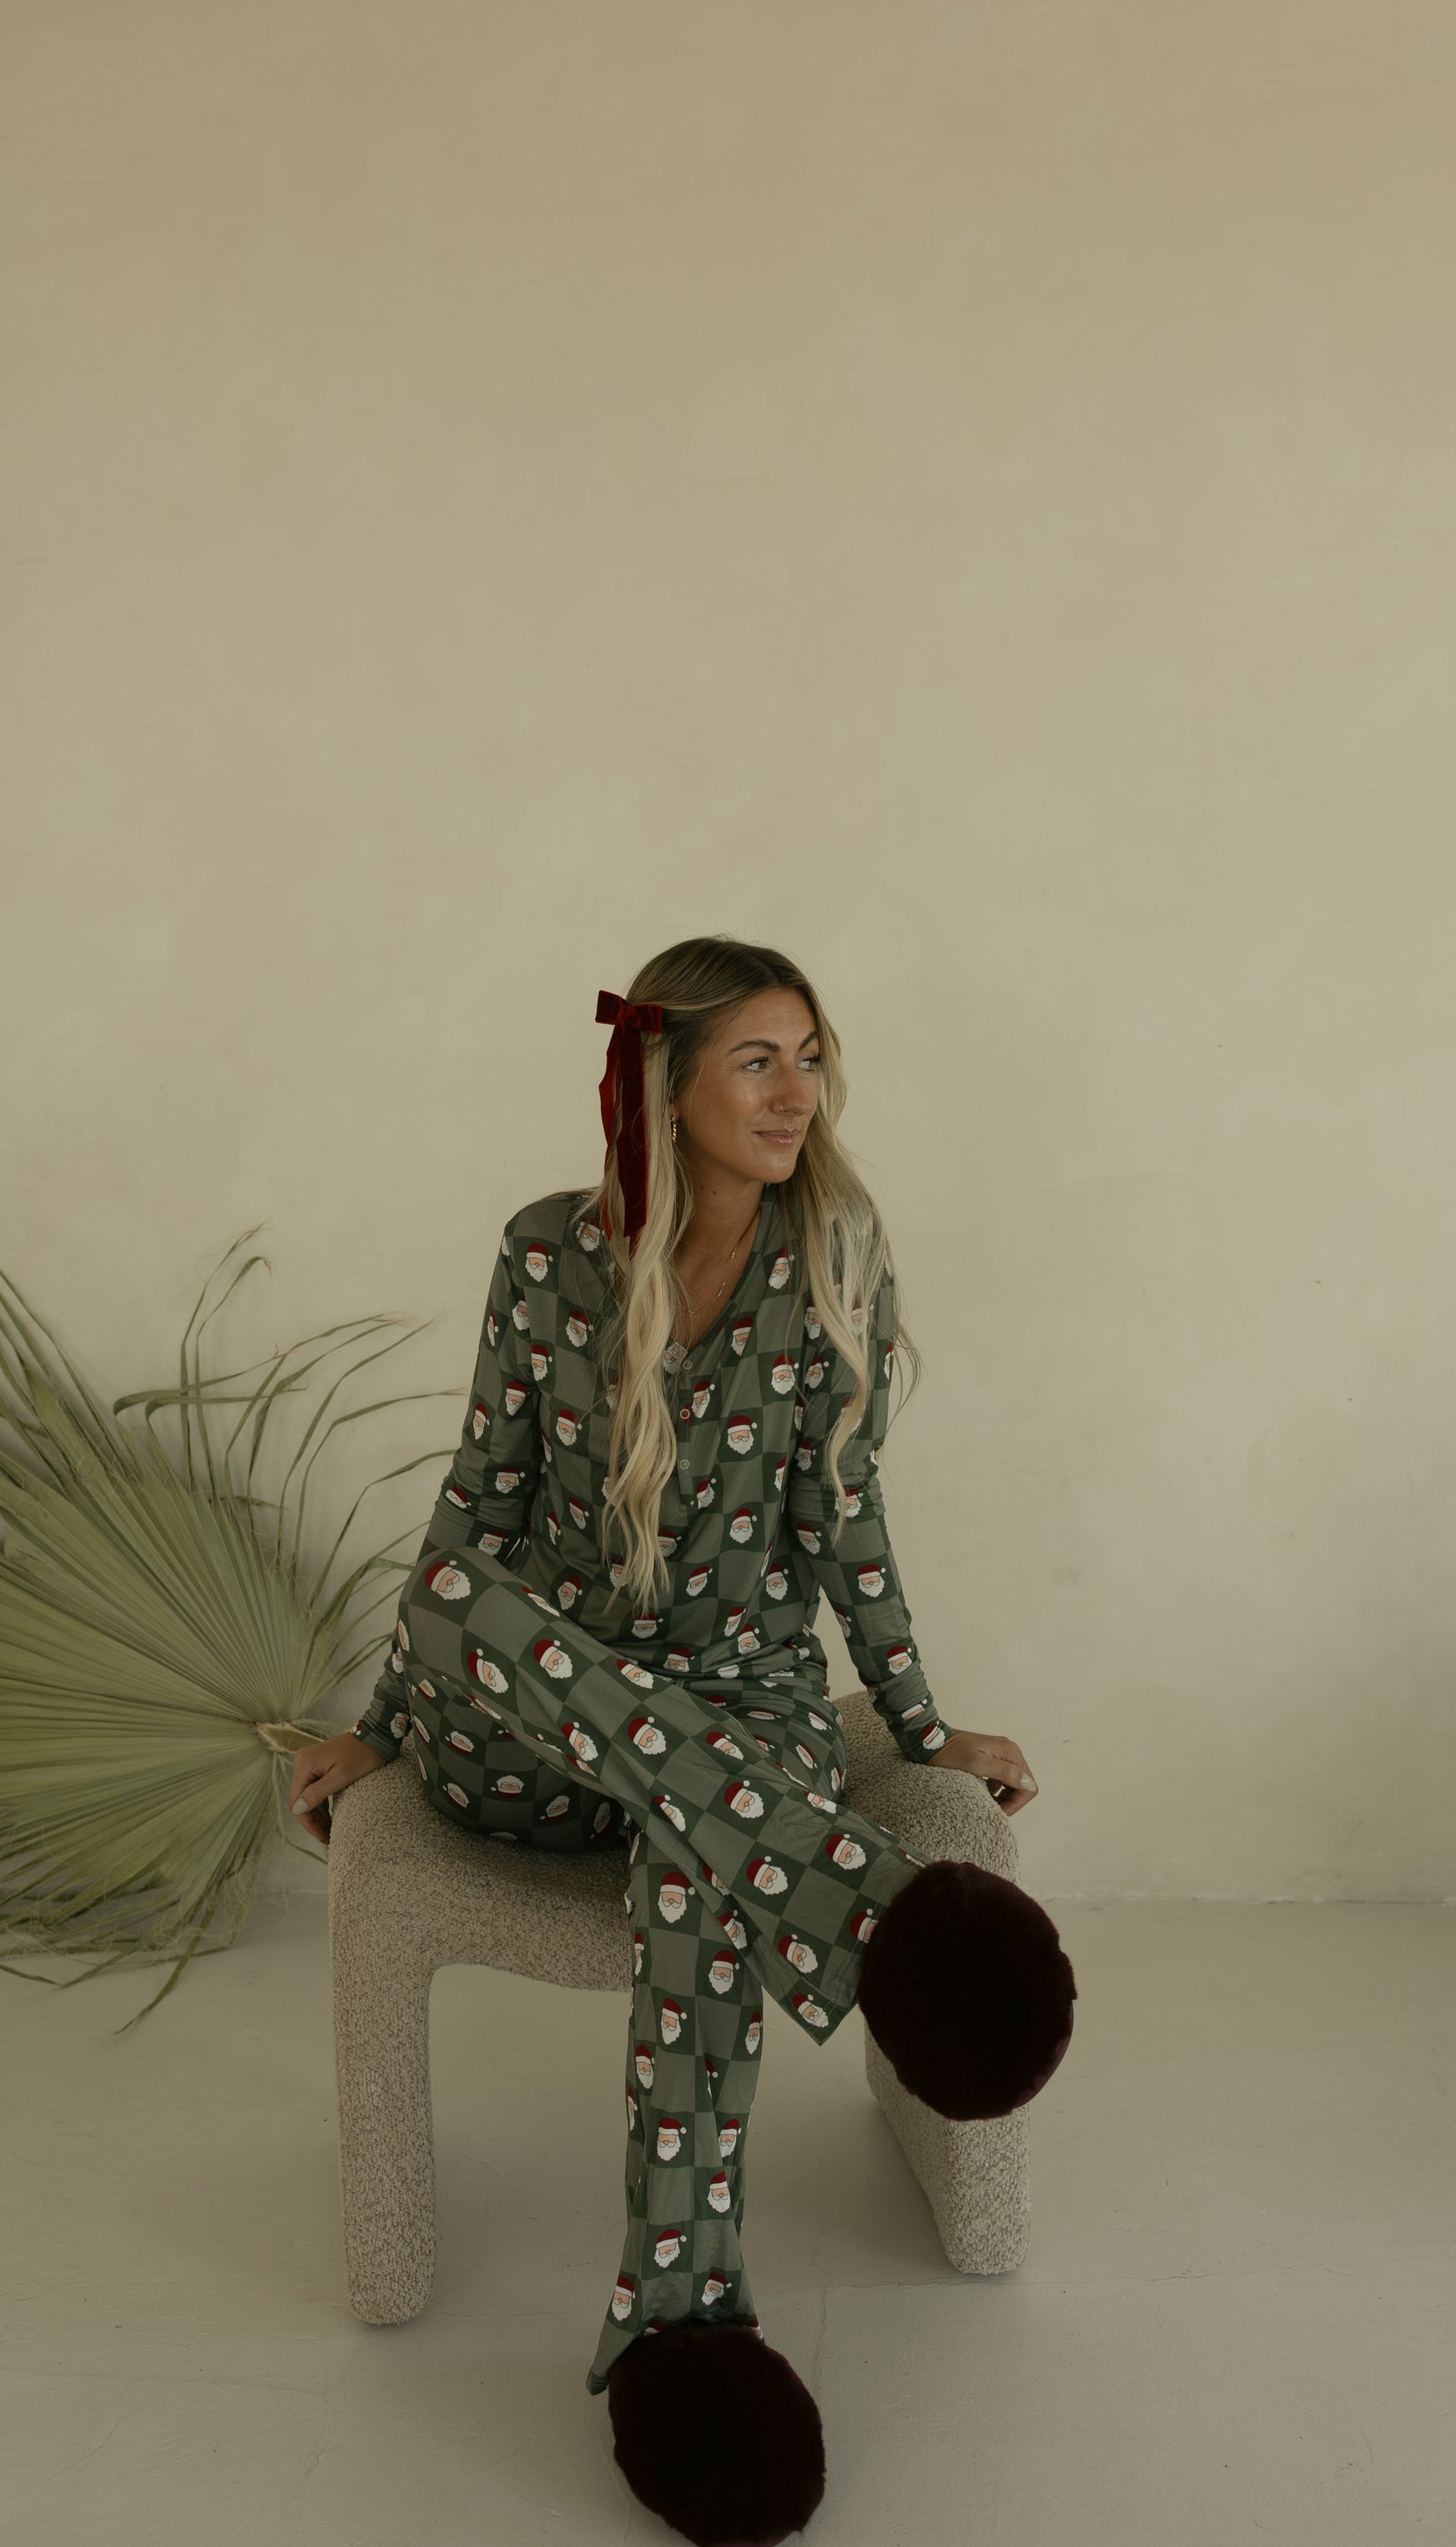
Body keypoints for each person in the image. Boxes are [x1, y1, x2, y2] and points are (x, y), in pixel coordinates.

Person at [289, 936, 1076, 2547]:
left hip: (743, 1712)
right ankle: (857, 1904)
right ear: (664, 1082)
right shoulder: (544, 1255)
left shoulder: (832, 1259)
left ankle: (682, 2326)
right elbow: (477, 1501)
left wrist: (921, 1728)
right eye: (756, 1061)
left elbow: (846, 1524)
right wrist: (377, 1734)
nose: (797, 1096)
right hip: (539, 1720)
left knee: (700, 1862)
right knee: (450, 1595)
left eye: (810, 1058)